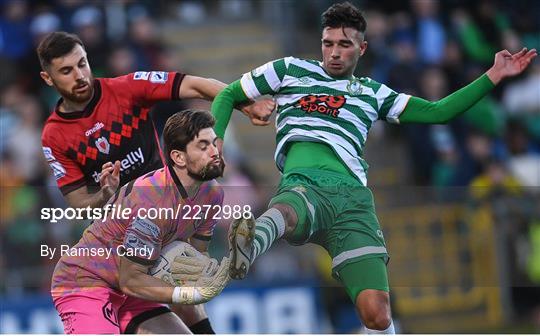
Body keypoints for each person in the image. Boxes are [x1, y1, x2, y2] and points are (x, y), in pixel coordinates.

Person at [210, 2, 537, 334]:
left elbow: (439, 112)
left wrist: (493, 76)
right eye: (328, 43)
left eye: (344, 44)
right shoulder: (289, 69)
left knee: (377, 315)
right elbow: (226, 95)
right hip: (305, 183)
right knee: (287, 209)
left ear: (362, 48)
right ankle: (247, 245)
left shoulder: (372, 92)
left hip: (353, 203)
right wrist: (217, 141)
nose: (334, 52)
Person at [38, 31, 273, 333]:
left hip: (151, 231)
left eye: (82, 63)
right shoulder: (55, 134)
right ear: (48, 78)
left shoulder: (126, 88)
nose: (80, 75)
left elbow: (194, 84)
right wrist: (104, 195)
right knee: (172, 267)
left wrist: (245, 103)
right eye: (67, 70)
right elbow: (77, 204)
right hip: (104, 260)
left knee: (180, 265)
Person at [51, 109, 231, 334]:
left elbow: (194, 257)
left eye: (214, 143)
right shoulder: (152, 202)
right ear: (178, 157)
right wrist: (189, 292)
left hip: (134, 290)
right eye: (203, 146)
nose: (215, 152)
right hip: (86, 282)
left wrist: (225, 265)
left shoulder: (213, 194)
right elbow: (131, 280)